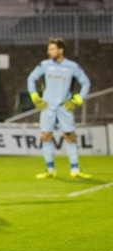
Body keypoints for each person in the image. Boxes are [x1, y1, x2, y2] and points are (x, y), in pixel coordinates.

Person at [27, 37, 91, 179]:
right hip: (47, 106)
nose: (48, 52)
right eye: (49, 49)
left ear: (61, 50)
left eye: (52, 49)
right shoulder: (44, 65)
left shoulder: (72, 66)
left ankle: (75, 169)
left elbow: (86, 82)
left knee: (70, 136)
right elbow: (31, 79)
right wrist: (35, 96)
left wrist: (79, 99)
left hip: (64, 106)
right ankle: (50, 169)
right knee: (46, 136)